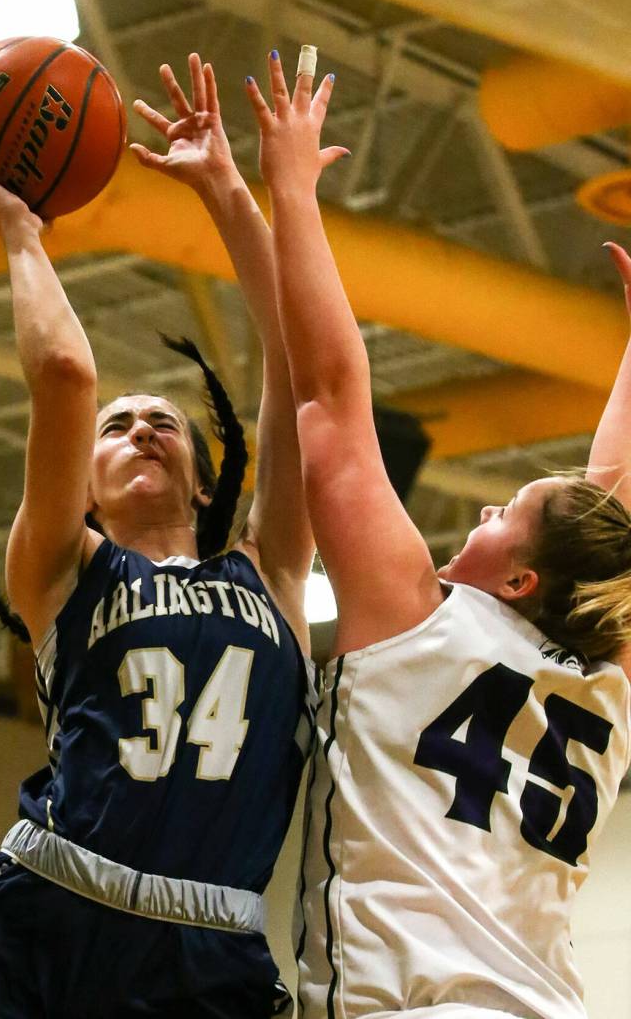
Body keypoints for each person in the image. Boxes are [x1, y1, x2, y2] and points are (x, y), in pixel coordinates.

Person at [0, 55, 316, 1019]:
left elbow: (301, 357)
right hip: (45, 912)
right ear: (80, 488)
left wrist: (228, 190)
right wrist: (20, 231)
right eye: (117, 428)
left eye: (163, 419)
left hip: (207, 953)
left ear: (204, 479)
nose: (141, 429)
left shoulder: (272, 568)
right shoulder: (64, 568)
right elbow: (68, 375)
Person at [246, 49, 631, 1019]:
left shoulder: (410, 615)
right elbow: (612, 504)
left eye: (508, 513)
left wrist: (291, 188)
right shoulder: (610, 684)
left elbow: (331, 399)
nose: (486, 509)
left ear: (519, 582)